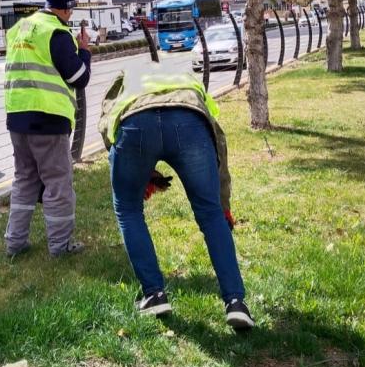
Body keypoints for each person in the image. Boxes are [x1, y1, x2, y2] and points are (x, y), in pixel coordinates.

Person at [98, 63, 254, 330]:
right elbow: (218, 141)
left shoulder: (126, 77)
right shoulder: (188, 80)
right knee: (210, 214)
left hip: (136, 123)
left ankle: (154, 295)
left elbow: (107, 123)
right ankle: (236, 302)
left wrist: (133, 169)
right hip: (190, 122)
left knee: (128, 209)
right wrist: (223, 205)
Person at [4, 0, 90, 258]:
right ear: (66, 8)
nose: (70, 15)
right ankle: (60, 246)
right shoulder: (56, 32)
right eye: (70, 10)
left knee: (25, 180)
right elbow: (79, 78)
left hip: (17, 117)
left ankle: (15, 243)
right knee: (57, 182)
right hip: (48, 119)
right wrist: (84, 51)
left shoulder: (19, 29)